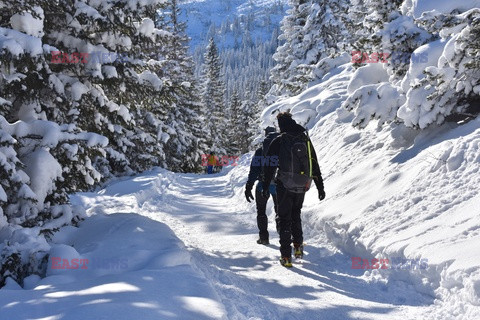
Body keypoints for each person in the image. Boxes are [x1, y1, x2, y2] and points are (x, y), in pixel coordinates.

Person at [262, 112, 325, 267]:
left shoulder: (280, 140)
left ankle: (286, 257)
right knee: (296, 214)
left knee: (284, 218)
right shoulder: (305, 139)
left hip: (284, 184)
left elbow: (269, 165)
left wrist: (265, 186)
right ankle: (298, 247)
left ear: (281, 124)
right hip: (302, 184)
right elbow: (314, 163)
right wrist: (320, 187)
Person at [245, 126, 279, 245]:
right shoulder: (282, 149)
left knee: (261, 211)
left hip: (262, 184)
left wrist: (248, 186)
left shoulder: (260, 151)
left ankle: (264, 237)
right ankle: (282, 233)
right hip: (278, 185)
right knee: (280, 210)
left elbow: (254, 171)